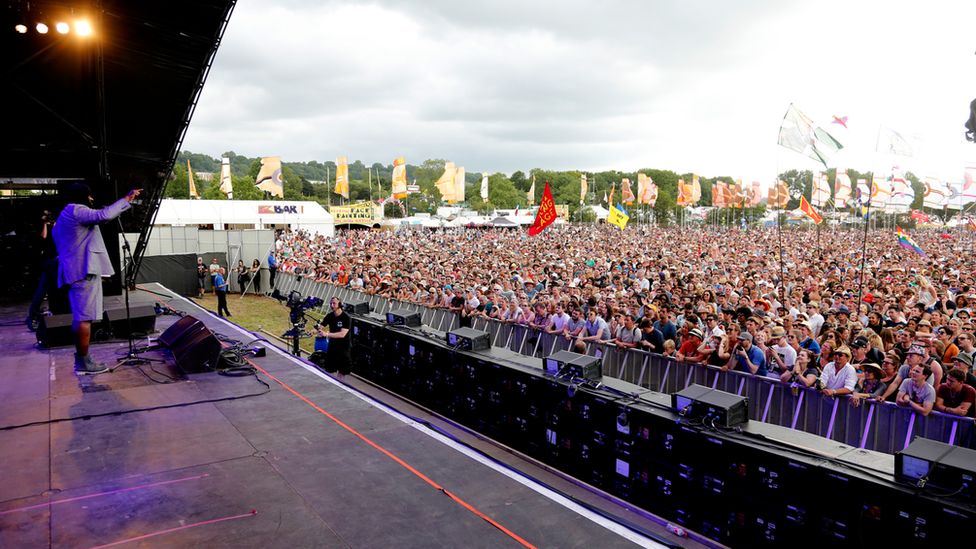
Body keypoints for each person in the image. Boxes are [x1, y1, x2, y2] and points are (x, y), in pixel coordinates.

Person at [52, 184, 141, 374]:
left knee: (81, 317)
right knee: (85, 317)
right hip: (83, 272)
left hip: (73, 270)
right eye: (90, 197)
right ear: (83, 196)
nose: (92, 200)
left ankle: (82, 359)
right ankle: (84, 363)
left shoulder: (63, 217)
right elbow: (103, 216)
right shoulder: (76, 210)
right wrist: (126, 200)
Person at [318, 296, 351, 380]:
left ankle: (340, 384)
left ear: (339, 304)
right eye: (331, 304)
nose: (332, 305)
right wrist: (313, 331)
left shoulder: (346, 318)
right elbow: (321, 326)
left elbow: (342, 334)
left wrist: (327, 334)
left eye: (334, 303)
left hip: (343, 347)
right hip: (332, 346)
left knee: (342, 370)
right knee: (330, 368)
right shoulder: (330, 316)